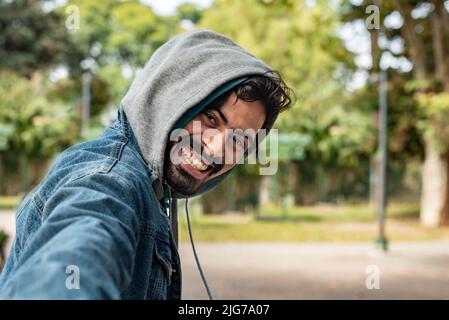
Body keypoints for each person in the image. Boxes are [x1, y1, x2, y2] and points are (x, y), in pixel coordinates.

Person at [0, 29, 292, 299]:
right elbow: (81, 241)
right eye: (211, 119)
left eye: (239, 141)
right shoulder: (109, 179)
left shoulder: (155, 186)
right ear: (169, 100)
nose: (216, 149)